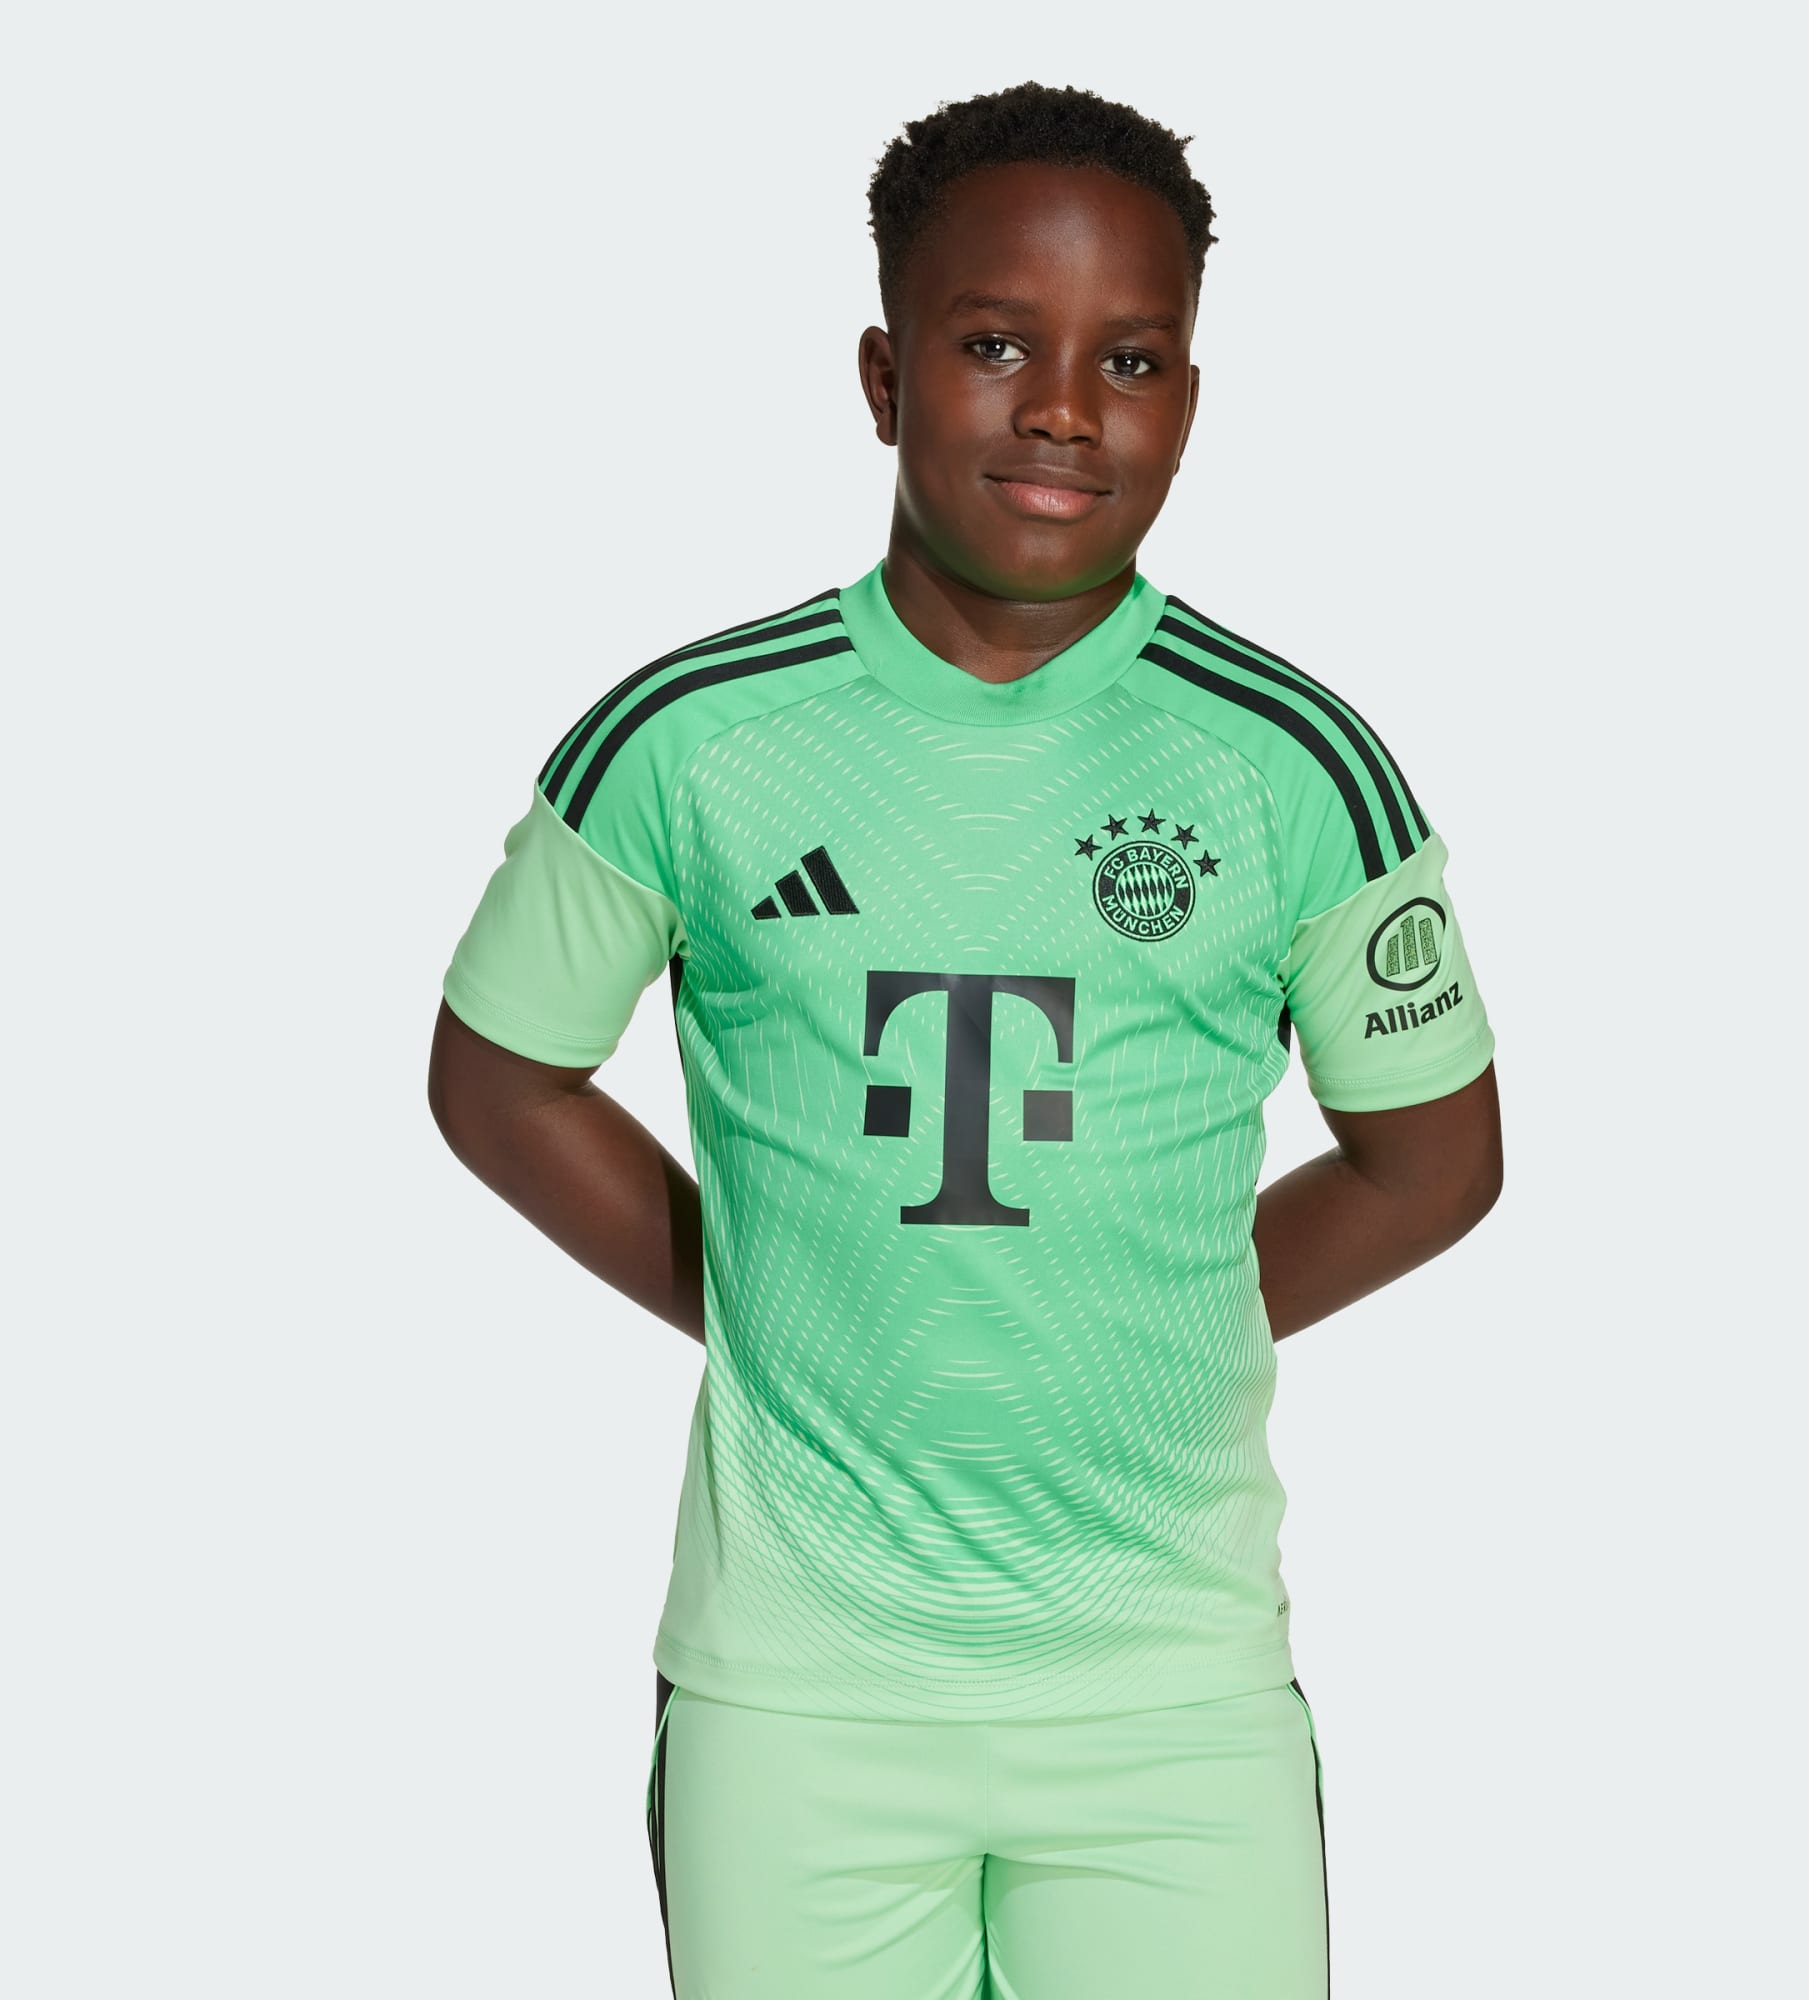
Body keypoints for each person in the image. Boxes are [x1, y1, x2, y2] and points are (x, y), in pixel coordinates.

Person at [429, 77, 1502, 2000]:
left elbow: (1437, 1159)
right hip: (795, 1692)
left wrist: (1151, 1301)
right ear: (882, 375)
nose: (1065, 408)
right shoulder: (694, 740)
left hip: (1171, 1696)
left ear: (1190, 399)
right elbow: (499, 1074)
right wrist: (774, 1298)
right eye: (996, 343)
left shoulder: (1289, 764)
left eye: (1132, 360)